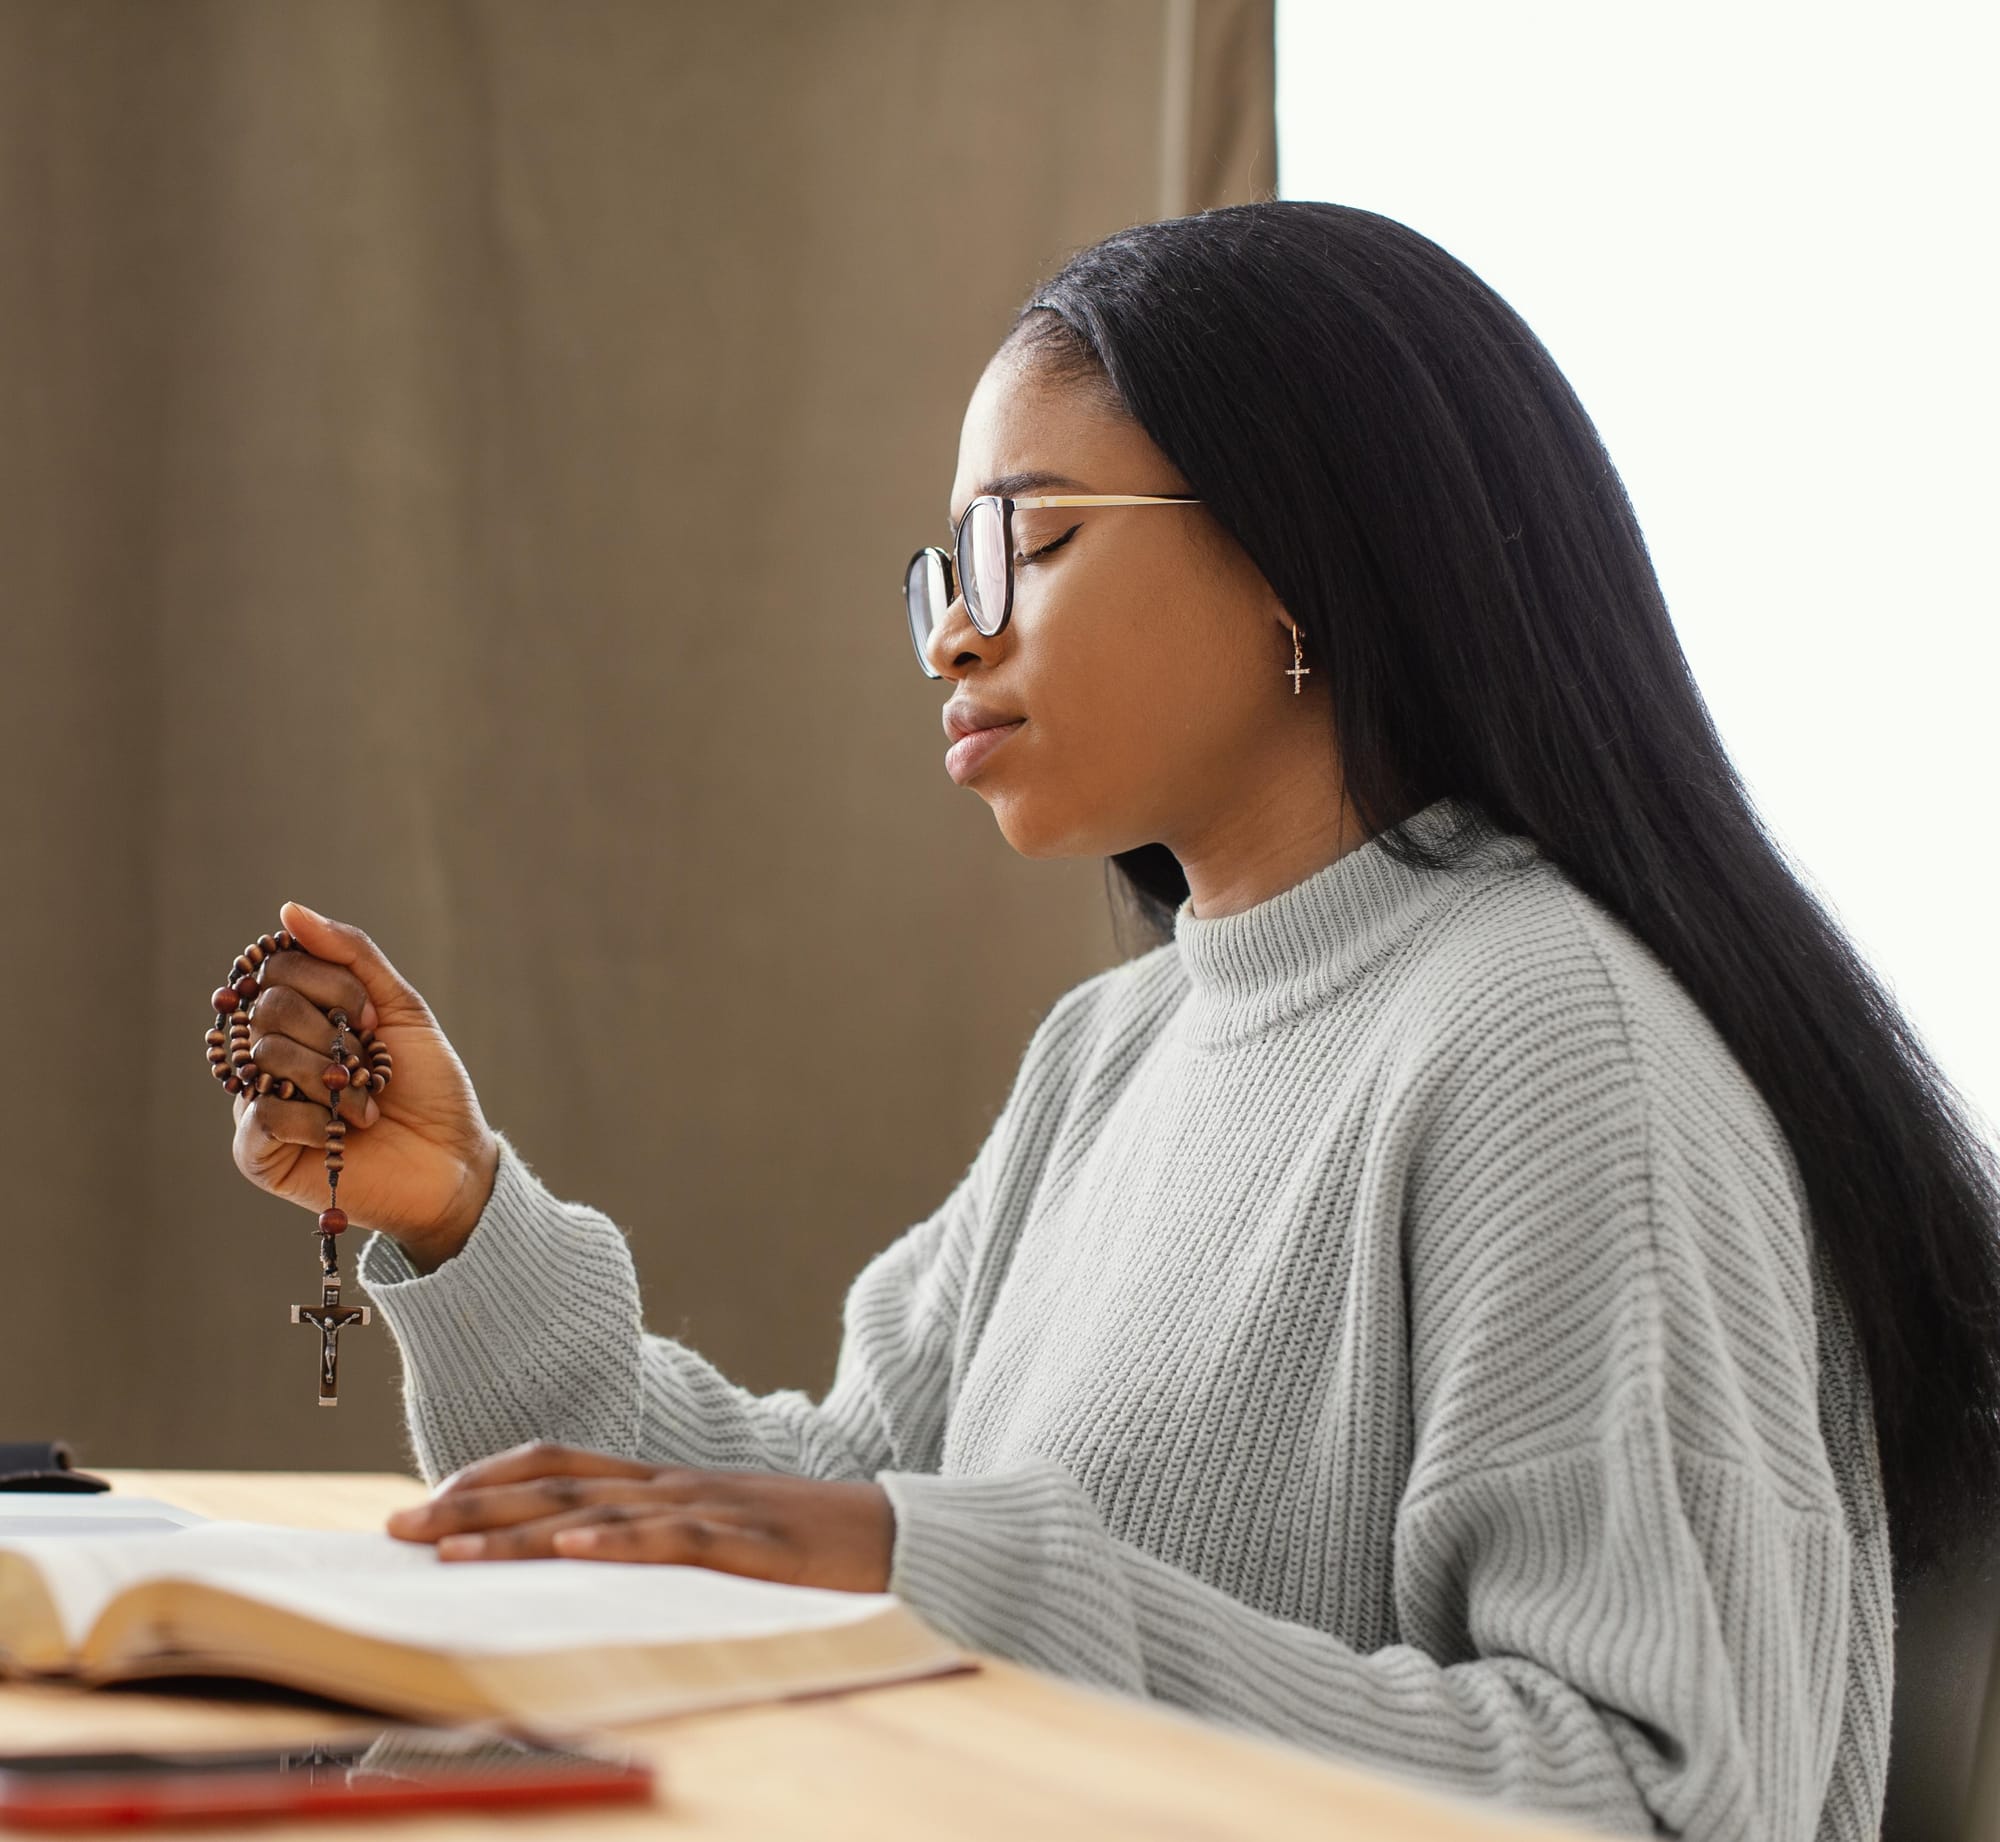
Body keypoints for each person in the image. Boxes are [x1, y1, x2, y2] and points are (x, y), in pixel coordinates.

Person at [226, 201, 2000, 1842]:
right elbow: (827, 1505)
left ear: (1310, 561)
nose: (951, 636)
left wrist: (965, 1583)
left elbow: (1662, 1797)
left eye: (1030, 540)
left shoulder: (1558, 1047)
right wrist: (462, 1217)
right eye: (945, 568)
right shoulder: (1114, 1051)